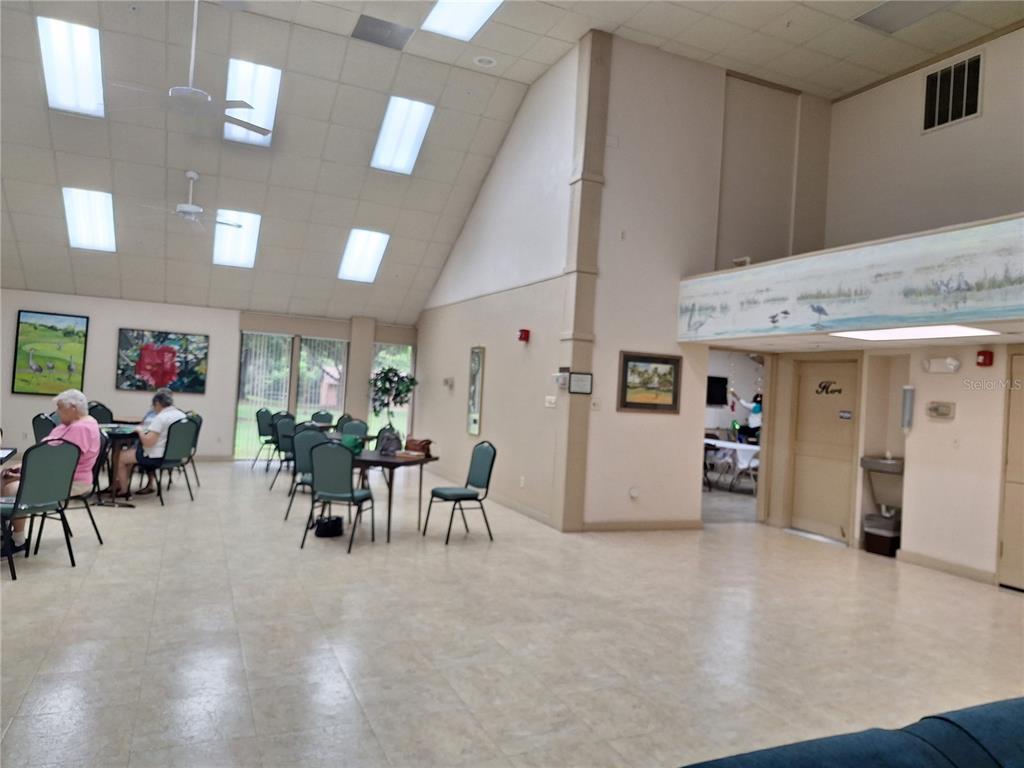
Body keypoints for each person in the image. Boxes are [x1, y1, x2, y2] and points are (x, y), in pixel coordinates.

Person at [2, 389, 101, 548]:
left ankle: (17, 540)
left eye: (60, 407)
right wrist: (22, 467)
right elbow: (46, 452)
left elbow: (58, 463)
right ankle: (6, 531)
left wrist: (25, 475)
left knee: (14, 489)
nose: (57, 412)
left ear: (73, 408)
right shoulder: (69, 425)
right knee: (4, 478)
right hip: (56, 475)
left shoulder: (81, 428)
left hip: (68, 481)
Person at [115, 390, 186, 496]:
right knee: (132, 451)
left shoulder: (161, 417)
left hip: (156, 457)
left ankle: (123, 490)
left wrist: (140, 430)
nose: (153, 409)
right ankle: (124, 485)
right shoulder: (182, 415)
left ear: (157, 403)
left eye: (154, 406)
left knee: (119, 456)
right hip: (176, 456)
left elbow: (148, 443)